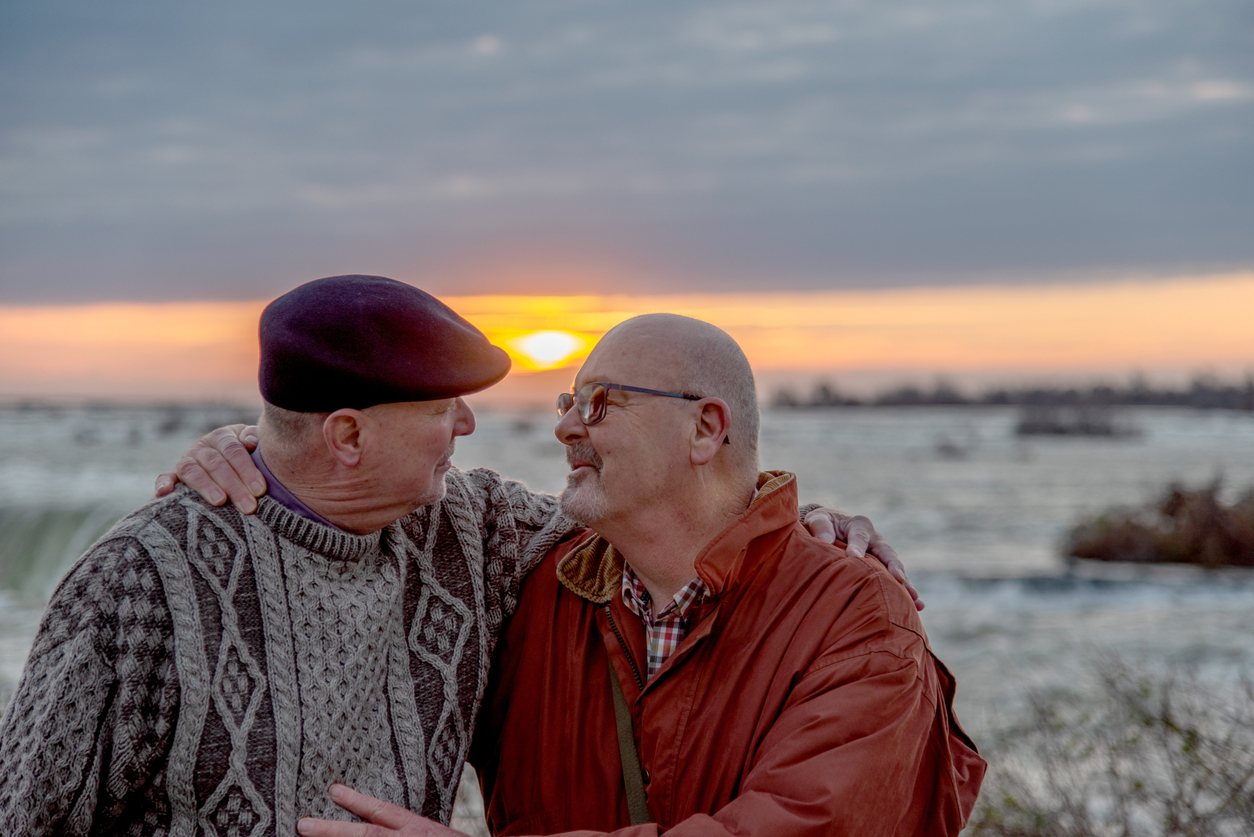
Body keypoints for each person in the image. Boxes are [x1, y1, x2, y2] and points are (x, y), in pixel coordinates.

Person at [0, 275, 904, 835]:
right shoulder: (136, 585)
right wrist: (247, 452)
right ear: (346, 436)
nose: (473, 426)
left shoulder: (472, 534)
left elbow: (682, 525)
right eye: (443, 408)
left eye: (599, 404)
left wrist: (807, 523)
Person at [298, 314, 986, 837]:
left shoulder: (859, 617)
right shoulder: (532, 595)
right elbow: (340, 521)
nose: (566, 428)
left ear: (705, 429)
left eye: (599, 402)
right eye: (566, 402)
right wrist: (256, 459)